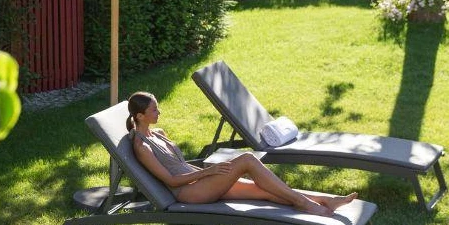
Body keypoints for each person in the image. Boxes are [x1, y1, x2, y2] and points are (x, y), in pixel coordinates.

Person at [126, 91, 357, 216]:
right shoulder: (142, 146)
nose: (159, 112)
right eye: (154, 109)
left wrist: (207, 173)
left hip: (200, 181)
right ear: (140, 116)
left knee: (264, 190)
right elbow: (171, 180)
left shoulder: (159, 134)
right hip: (188, 192)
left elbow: (181, 165)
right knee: (246, 159)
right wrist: (212, 171)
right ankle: (307, 205)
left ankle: (325, 201)